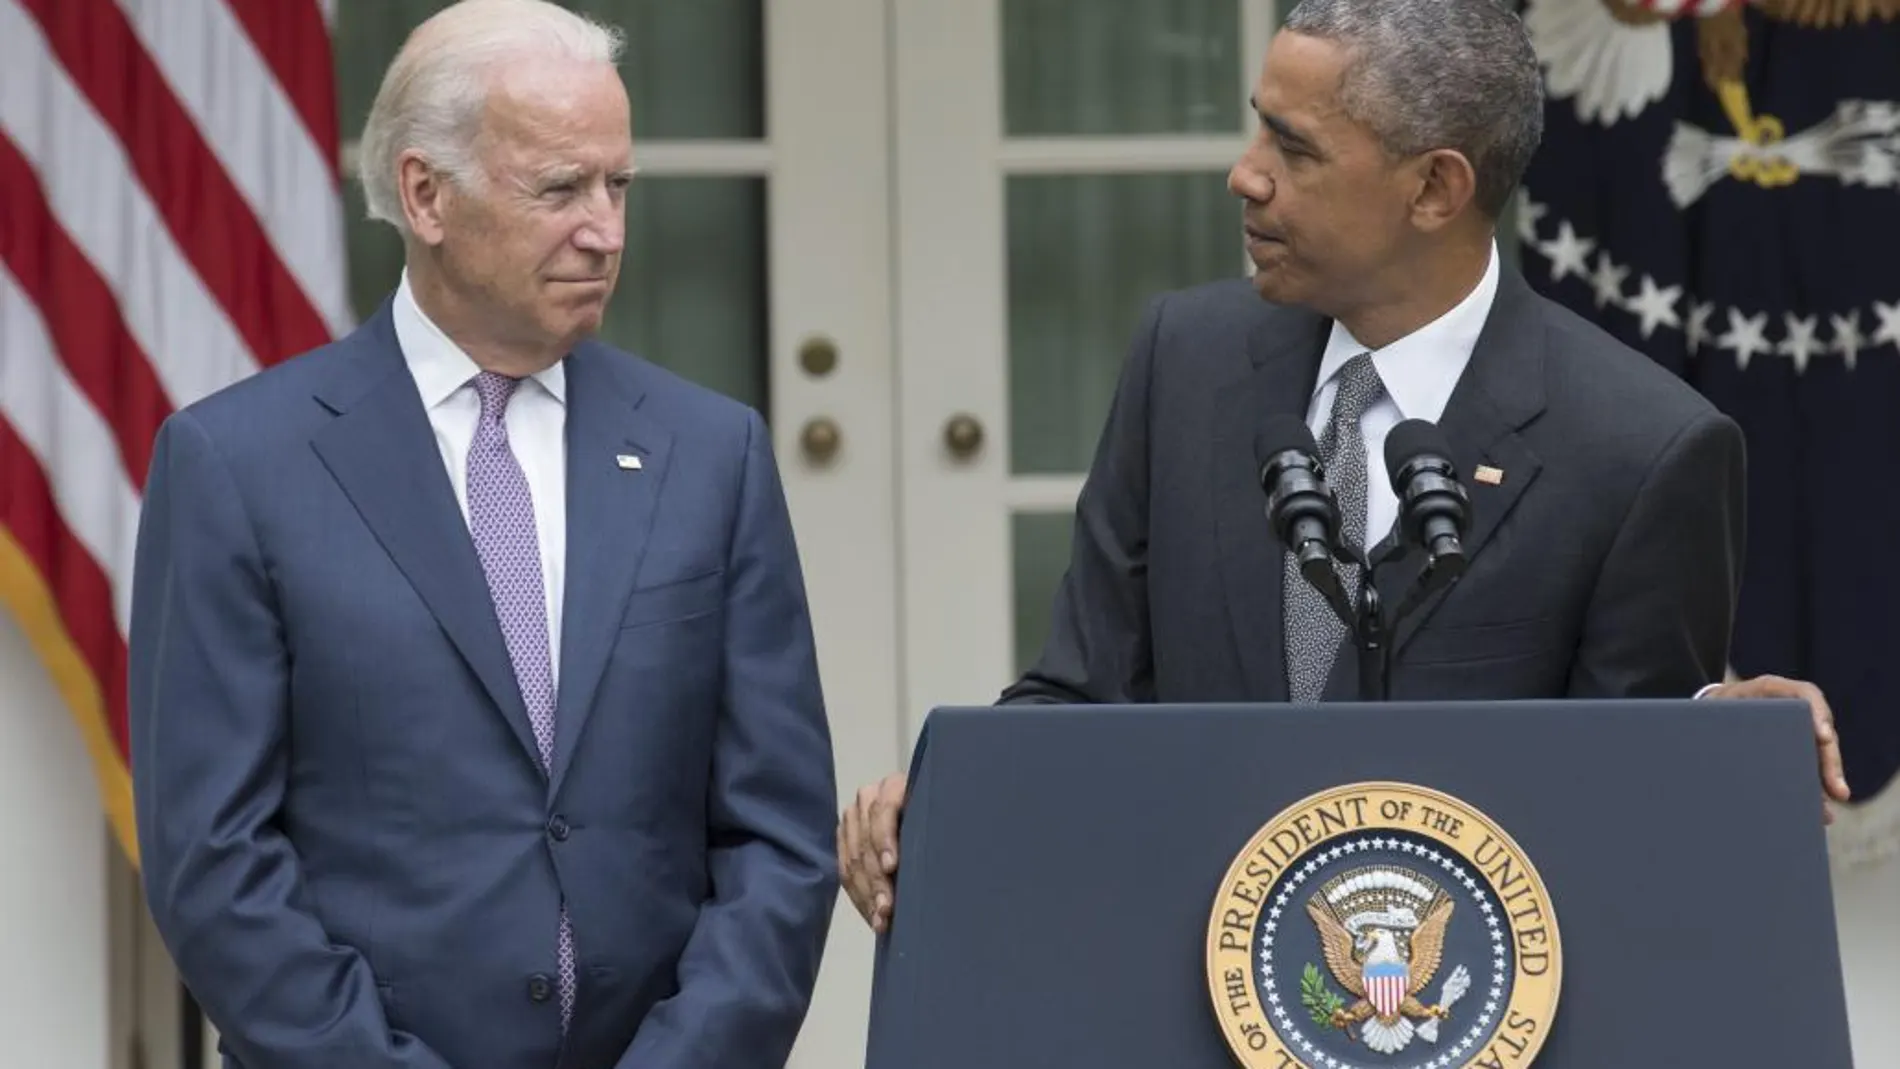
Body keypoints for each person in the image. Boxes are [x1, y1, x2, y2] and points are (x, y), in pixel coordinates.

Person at [838, 0, 1851, 934]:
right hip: (1181, 981)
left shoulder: (1643, 448)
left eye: (1294, 148)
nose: (1246, 174)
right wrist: (951, 792)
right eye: (1257, 127)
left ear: (1435, 188)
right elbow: (1079, 695)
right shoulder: (1183, 359)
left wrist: (1720, 740)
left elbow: (1617, 806)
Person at [128, 3, 837, 1067]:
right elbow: (213, 860)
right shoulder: (238, 466)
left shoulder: (710, 453)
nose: (606, 230)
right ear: (426, 196)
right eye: (559, 188)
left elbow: (777, 836)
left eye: (617, 185)